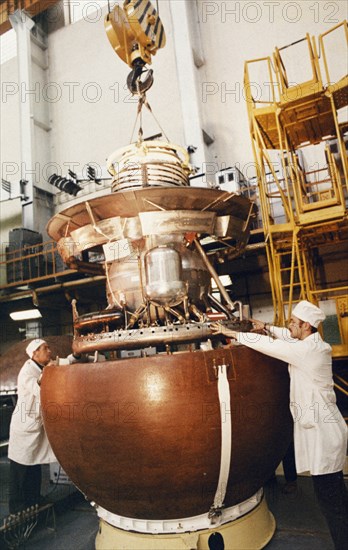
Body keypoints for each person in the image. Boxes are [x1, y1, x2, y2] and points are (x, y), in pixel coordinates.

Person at [211, 300, 348, 550]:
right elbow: (286, 335)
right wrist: (267, 326)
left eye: (294, 323)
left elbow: (272, 346)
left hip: (324, 435)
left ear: (306, 326)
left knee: (333, 503)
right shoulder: (310, 342)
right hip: (323, 430)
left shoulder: (307, 352)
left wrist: (233, 334)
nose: (289, 326)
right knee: (334, 496)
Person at [7, 339, 77, 514]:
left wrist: (76, 355)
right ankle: (17, 508)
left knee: (34, 464)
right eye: (45, 348)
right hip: (24, 425)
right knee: (21, 468)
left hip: (35, 424)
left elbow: (62, 363)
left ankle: (34, 500)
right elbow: (40, 389)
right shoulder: (27, 371)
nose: (49, 351)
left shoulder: (41, 366)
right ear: (34, 353)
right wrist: (49, 371)